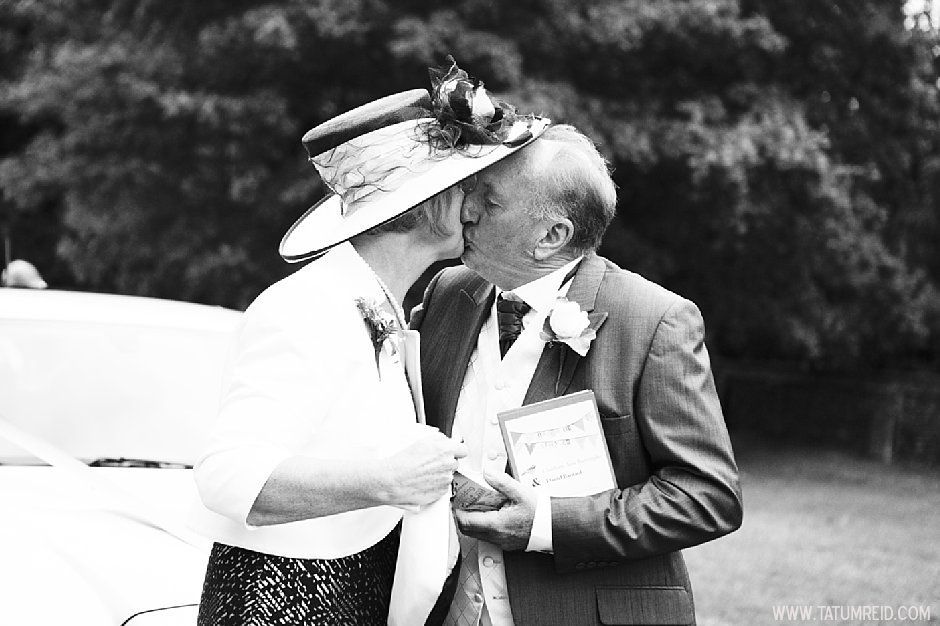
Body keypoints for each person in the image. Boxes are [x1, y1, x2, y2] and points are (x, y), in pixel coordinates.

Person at [192, 60, 552, 626]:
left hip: (349, 590)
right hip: (283, 601)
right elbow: (228, 478)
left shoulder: (375, 301)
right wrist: (390, 482)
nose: (480, 206)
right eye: (468, 187)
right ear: (425, 204)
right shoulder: (309, 308)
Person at [411, 123, 743, 626]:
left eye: (489, 201)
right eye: (472, 191)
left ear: (552, 236)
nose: (466, 210)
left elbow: (708, 496)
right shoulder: (446, 293)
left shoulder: (655, 321)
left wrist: (547, 524)